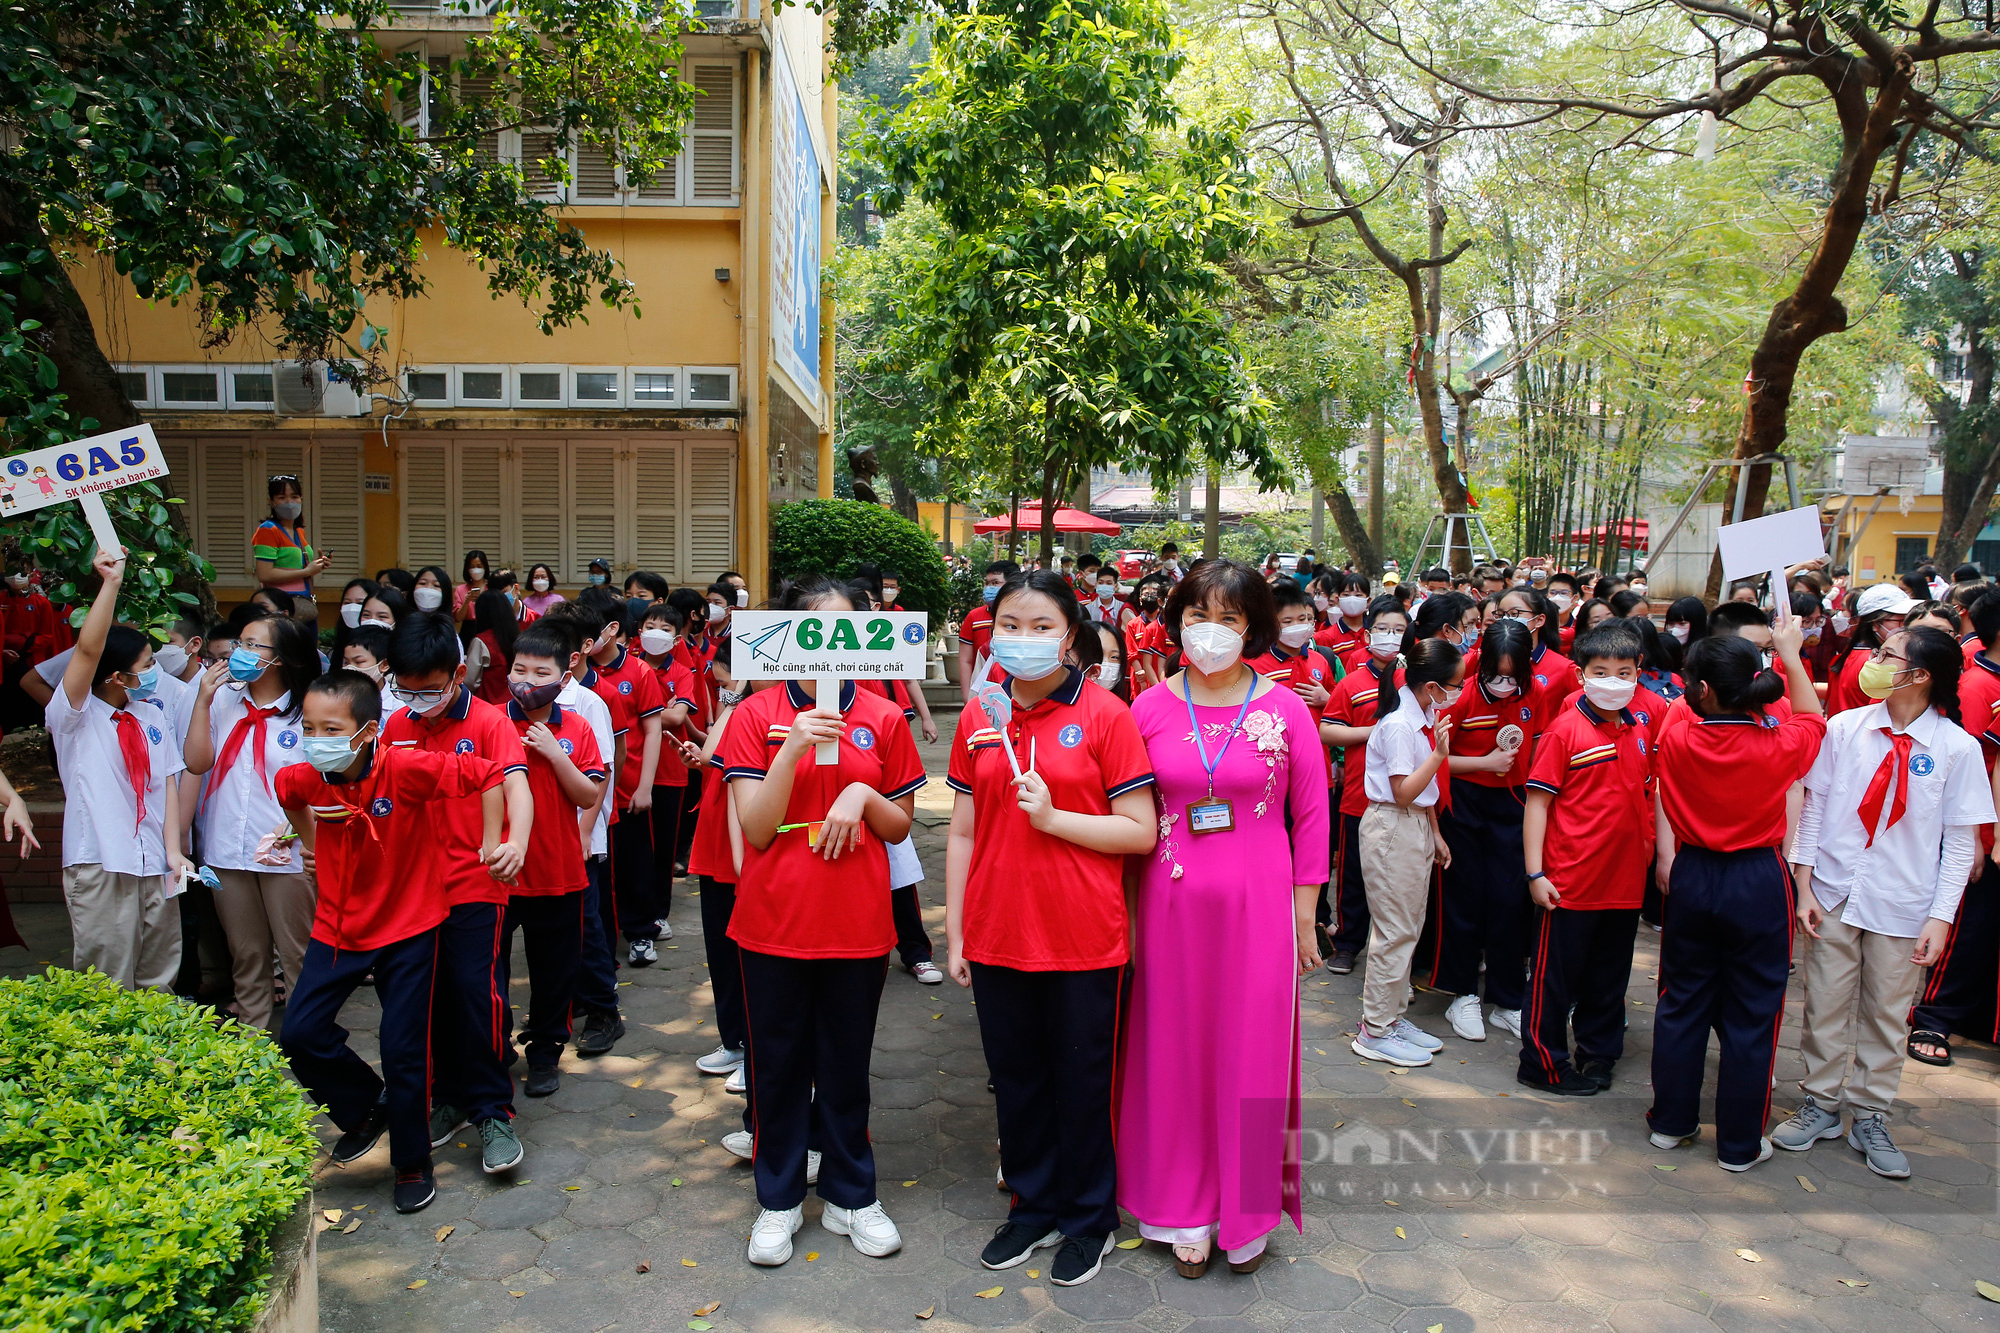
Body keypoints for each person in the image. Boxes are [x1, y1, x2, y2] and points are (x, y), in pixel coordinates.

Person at [944, 569, 1157, 1286]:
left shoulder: (1105, 714)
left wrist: (1055, 817)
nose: (1024, 639)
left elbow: (1141, 832)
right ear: (989, 630)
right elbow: (964, 834)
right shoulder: (981, 717)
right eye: (1010, 625)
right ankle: (1031, 1206)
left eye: (1041, 627)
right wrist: (956, 932)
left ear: (1071, 636)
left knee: (1080, 1082)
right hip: (998, 931)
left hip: (1083, 938)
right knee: (1017, 1081)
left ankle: (1089, 1217)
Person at [1118, 560, 1329, 1277]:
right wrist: (1125, 919)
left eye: (1230, 620)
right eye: (1197, 616)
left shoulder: (1286, 708)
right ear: (1175, 621)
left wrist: (1307, 917)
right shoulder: (1145, 708)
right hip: (1169, 904)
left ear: (1255, 629)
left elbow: (1313, 816)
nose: (1211, 632)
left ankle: (1246, 1208)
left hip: (1260, 904)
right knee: (1173, 1049)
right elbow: (1123, 815)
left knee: (1251, 1050)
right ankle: (1182, 1207)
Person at [723, 575, 926, 1266]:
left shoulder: (885, 715)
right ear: (789, 633)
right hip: (773, 922)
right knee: (777, 1068)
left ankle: (851, 1194)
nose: (833, 643)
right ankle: (777, 1201)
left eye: (849, 628)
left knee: (846, 1067)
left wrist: (864, 793)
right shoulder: (757, 713)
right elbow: (753, 828)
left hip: (858, 923)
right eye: (818, 627)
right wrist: (791, 746)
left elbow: (900, 824)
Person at [275, 670, 515, 1214]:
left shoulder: (405, 767)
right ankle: (366, 1107)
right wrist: (310, 845)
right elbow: (287, 795)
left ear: (366, 732)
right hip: (338, 927)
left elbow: (491, 773)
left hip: (411, 927)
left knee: (404, 1049)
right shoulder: (305, 777)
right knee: (299, 1032)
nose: (317, 739)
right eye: (308, 727)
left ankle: (411, 1164)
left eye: (330, 728)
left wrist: (490, 841)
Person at [1775, 626, 1995, 1178]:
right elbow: (1815, 809)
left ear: (1919, 676)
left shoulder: (1957, 748)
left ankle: (1871, 1112)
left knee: (1886, 1015)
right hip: (1834, 892)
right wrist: (1803, 885)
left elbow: (1958, 844)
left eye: (1885, 656)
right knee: (1823, 1005)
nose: (1872, 662)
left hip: (1904, 904)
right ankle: (1821, 1103)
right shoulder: (1845, 728)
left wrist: (1941, 918)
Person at [1647, 623, 1824, 1171]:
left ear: (1700, 691)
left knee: (1682, 1002)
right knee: (1753, 1013)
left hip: (1694, 875)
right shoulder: (1780, 741)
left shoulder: (1677, 738)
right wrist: (1792, 658)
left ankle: (1671, 1123)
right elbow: (1814, 718)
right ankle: (1740, 1144)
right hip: (1758, 879)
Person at [377, 613, 537, 1172]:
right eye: (406, 688)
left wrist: (515, 842)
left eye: (430, 689)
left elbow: (516, 783)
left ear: (458, 674)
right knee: (428, 998)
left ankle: (492, 1107)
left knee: (476, 993)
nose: (418, 700)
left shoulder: (491, 721)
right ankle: (446, 1095)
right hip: (411, 887)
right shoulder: (392, 724)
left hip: (475, 880)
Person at [1518, 624, 1656, 1097]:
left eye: (1624, 673)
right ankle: (1542, 1064)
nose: (1613, 681)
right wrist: (1535, 872)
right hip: (1569, 882)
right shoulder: (1564, 731)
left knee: (1609, 978)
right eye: (1602, 672)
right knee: (1554, 982)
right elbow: (1537, 804)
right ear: (1581, 675)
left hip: (1624, 882)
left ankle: (1598, 1055)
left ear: (1639, 674)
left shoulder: (1638, 728)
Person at [50, 547, 190, 990]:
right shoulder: (75, 714)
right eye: (146, 664)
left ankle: (157, 1060)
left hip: (154, 862)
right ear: (114, 676)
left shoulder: (149, 714)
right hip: (102, 860)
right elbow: (88, 650)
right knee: (106, 979)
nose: (155, 670)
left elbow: (166, 786)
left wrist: (173, 853)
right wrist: (110, 582)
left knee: (159, 975)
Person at [182, 611, 321, 1031]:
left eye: (251, 645)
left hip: (286, 851)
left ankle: (306, 1041)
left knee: (297, 951)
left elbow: (324, 784)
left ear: (281, 658)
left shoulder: (308, 710)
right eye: (239, 643)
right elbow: (196, 762)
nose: (238, 653)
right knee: (245, 953)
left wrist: (296, 830)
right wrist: (203, 701)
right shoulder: (222, 699)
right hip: (226, 847)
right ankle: (252, 1038)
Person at [500, 623, 609, 1100]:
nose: (527, 680)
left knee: (554, 972)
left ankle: (545, 1055)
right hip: (497, 875)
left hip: (559, 871)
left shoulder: (578, 726)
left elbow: (589, 794)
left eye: (539, 671)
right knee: (488, 974)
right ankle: (494, 1049)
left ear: (564, 676)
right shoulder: (489, 721)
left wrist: (553, 754)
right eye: (519, 669)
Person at [1351, 637, 1463, 1067]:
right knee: (1394, 931)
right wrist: (1439, 755)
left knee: (1408, 927)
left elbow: (1422, 796)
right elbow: (1402, 792)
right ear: (1432, 685)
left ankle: (1392, 1018)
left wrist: (1434, 832)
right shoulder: (1399, 725)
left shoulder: (1423, 713)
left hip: (1413, 825)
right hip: (1393, 824)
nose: (1457, 691)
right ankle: (1375, 1029)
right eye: (1453, 684)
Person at [1434, 619, 1538, 1043]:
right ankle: (1461, 995)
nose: (1504, 684)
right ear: (1482, 662)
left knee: (1510, 902)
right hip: (1463, 804)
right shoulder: (1459, 697)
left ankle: (1508, 999)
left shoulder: (1537, 694)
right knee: (1465, 898)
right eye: (1496, 674)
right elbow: (1433, 758)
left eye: (1513, 677)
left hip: (1513, 806)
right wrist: (1484, 764)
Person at [1907, 591, 2000, 1064]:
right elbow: (1972, 764)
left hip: (1983, 826)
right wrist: (1980, 838)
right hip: (1978, 828)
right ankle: (1935, 1018)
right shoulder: (1978, 686)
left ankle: (1975, 1018)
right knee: (1967, 932)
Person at [1319, 596, 1410, 973]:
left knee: (1399, 880)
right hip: (1360, 795)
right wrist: (1373, 731)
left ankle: (1397, 957)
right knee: (1354, 875)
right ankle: (1348, 943)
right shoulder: (1353, 682)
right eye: (1384, 629)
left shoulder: (1418, 681)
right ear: (1368, 633)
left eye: (1399, 630)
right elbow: (1328, 730)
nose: (1391, 637)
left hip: (1408, 797)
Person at [1826, 583, 1916, 714]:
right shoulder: (1877, 662)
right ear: (1874, 624)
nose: (1906, 626)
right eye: (1900, 620)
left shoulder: (1850, 654)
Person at [252, 474, 329, 621]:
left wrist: (317, 565)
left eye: (294, 497)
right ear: (272, 502)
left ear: (301, 499)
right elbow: (264, 574)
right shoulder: (268, 530)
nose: (290, 502)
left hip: (303, 602)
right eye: (282, 497)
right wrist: (306, 571)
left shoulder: (298, 531)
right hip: (279, 606)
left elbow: (297, 567)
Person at [958, 561, 1017, 702]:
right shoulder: (974, 617)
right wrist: (968, 698)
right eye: (987, 583)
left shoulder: (1023, 616)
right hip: (982, 689)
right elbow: (965, 660)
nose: (989, 588)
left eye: (995, 582)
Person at [465, 588, 521, 706]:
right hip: (514, 704)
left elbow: (470, 681)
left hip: (488, 705)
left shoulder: (481, 641)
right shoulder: (517, 637)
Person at [452, 552, 490, 622]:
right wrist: (466, 602)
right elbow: (458, 618)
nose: (476, 570)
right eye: (472, 567)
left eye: (479, 566)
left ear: (485, 567)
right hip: (468, 629)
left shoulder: (492, 588)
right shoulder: (460, 589)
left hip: (488, 627)